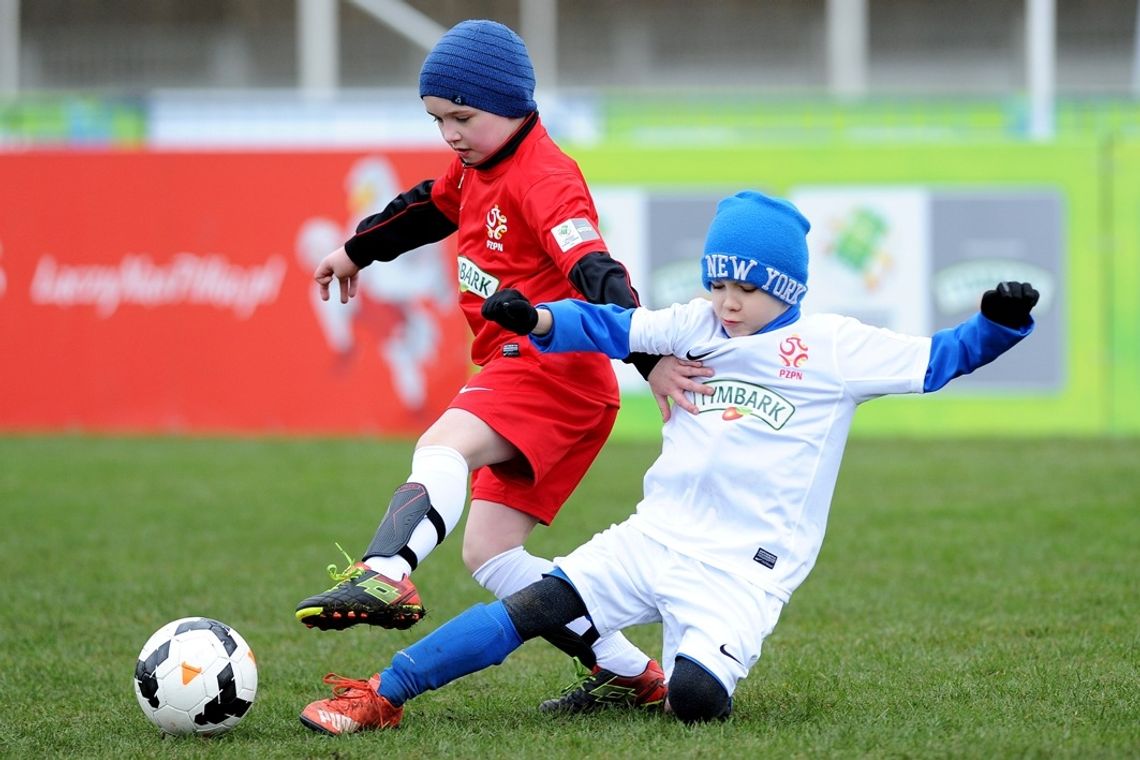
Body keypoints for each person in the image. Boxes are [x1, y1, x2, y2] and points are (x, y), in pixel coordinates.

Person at [297, 189, 1039, 733]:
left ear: (785, 289)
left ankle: (661, 676)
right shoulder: (693, 322)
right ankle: (383, 692)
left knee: (696, 701)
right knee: (531, 608)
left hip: (744, 567)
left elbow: (941, 360)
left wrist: (997, 324)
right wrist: (542, 319)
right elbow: (612, 323)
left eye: (745, 287)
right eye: (717, 282)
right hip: (654, 535)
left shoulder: (834, 349)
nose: (726, 301)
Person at [294, 18, 711, 712]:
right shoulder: (477, 165)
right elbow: (425, 207)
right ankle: (635, 677)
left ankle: (384, 570)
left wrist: (648, 357)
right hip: (532, 375)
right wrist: (357, 251)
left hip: (551, 370)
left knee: (441, 444)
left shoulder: (545, 178)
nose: (450, 133)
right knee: (489, 553)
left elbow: (597, 274)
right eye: (437, 120)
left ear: (514, 102)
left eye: (463, 116)